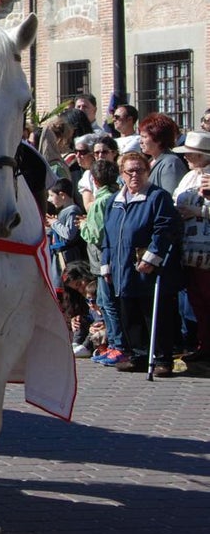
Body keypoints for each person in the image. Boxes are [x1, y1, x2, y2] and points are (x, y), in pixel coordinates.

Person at [99, 151, 182, 376]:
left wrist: (152, 256)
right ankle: (137, 354)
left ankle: (162, 358)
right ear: (121, 174)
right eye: (130, 171)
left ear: (147, 172)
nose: (135, 175)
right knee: (129, 312)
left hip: (146, 266)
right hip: (121, 266)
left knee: (153, 312)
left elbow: (164, 229)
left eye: (140, 170)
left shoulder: (157, 197)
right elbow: (106, 235)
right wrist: (105, 264)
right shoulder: (113, 202)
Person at [80, 158, 126, 366]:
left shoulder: (100, 202)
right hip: (113, 258)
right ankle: (115, 344)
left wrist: (83, 226)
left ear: (95, 181)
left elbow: (97, 234)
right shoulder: (118, 194)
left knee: (108, 304)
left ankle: (116, 345)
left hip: (101, 259)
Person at [171, 131, 210, 363]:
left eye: (190, 154)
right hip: (189, 248)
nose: (186, 158)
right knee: (197, 300)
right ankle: (203, 344)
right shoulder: (188, 177)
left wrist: (199, 212)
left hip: (208, 249)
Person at [138, 112, 185, 194]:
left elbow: (170, 197)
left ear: (159, 139)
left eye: (144, 137)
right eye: (140, 136)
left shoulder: (170, 163)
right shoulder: (151, 161)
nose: (140, 141)